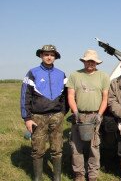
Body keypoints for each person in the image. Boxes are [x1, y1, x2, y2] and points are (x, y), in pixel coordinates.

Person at [20, 45, 68, 181]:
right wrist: (27, 118)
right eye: (46, 54)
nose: (49, 57)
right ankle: (37, 177)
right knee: (38, 149)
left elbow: (66, 96)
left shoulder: (61, 74)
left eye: (52, 55)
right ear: (41, 55)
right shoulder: (32, 73)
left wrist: (62, 112)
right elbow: (25, 96)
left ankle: (57, 177)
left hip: (57, 116)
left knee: (57, 148)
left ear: (55, 57)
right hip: (37, 117)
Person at [66, 49, 110, 181]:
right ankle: (79, 174)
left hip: (94, 115)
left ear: (96, 63)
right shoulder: (75, 75)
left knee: (94, 147)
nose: (90, 63)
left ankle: (92, 175)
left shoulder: (103, 76)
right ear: (83, 61)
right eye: (87, 61)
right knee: (76, 146)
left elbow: (105, 98)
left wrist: (99, 115)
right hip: (78, 115)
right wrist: (75, 112)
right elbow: (70, 95)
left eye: (93, 61)